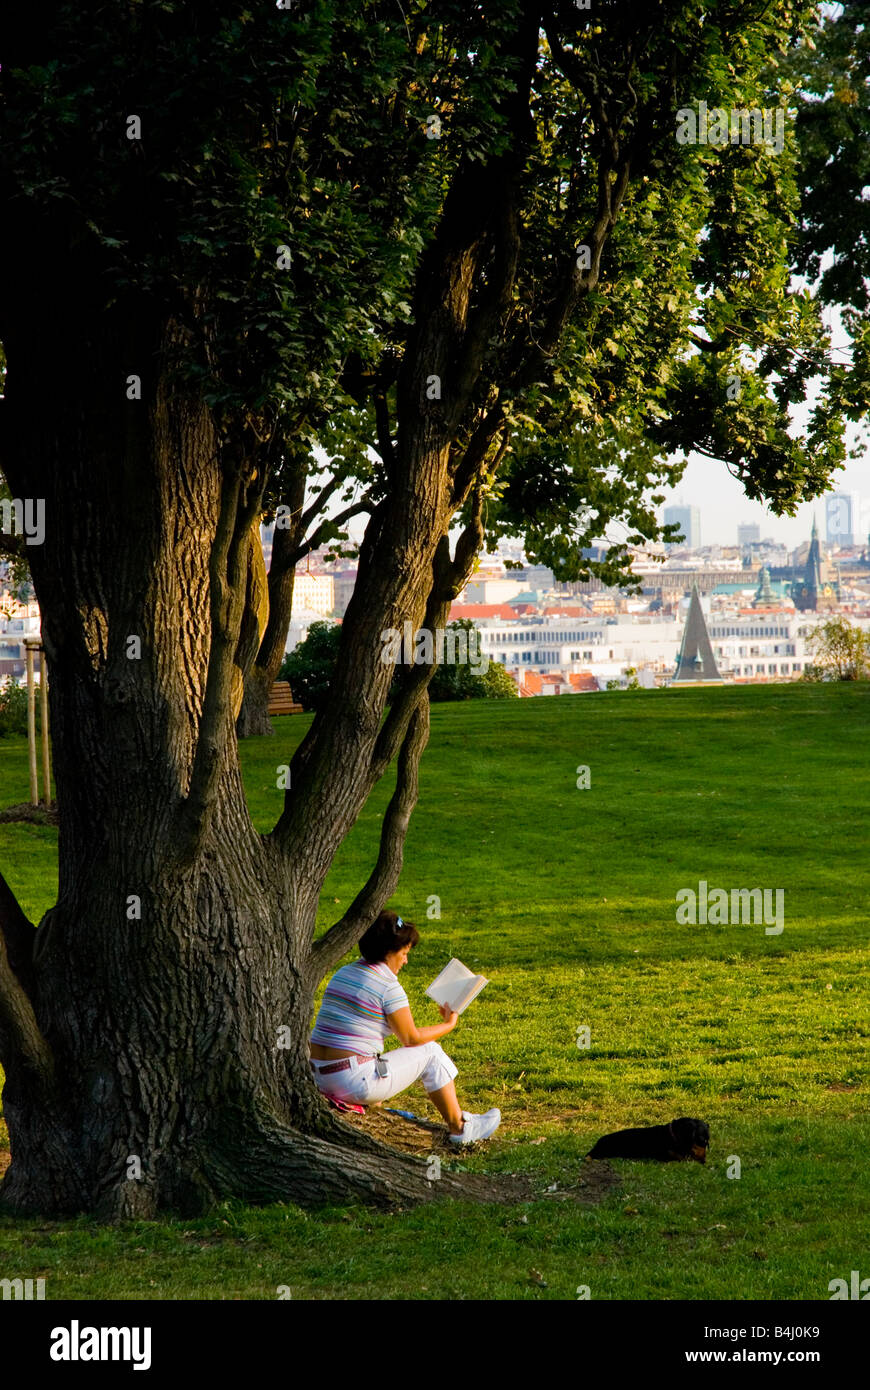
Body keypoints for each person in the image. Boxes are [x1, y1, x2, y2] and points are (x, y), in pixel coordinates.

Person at [309, 910, 501, 1144]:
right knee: (431, 1052)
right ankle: (460, 1128)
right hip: (351, 1081)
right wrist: (448, 1024)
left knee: (376, 1057)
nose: (406, 960)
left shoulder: (344, 973)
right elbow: (410, 1038)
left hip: (318, 1075)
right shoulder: (388, 985)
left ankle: (372, 1102)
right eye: (404, 953)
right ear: (389, 952)